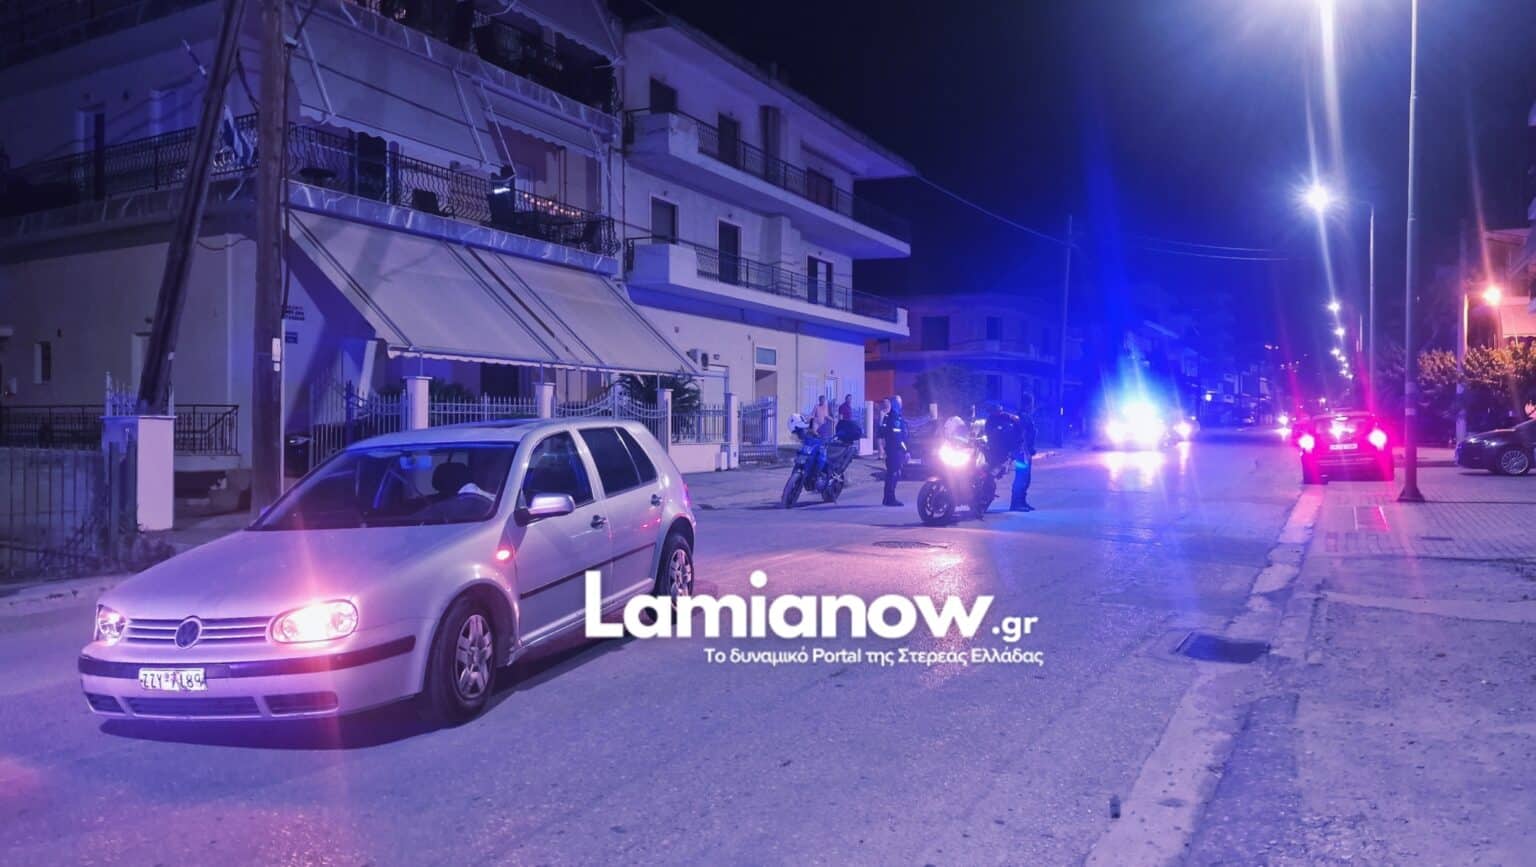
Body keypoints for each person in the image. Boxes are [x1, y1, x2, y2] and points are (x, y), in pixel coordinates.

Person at [877, 395, 909, 506]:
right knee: (894, 474)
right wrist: (906, 450)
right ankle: (890, 498)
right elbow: (898, 438)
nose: (901, 405)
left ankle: (887, 498)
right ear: (896, 404)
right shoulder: (894, 418)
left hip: (892, 450)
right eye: (899, 403)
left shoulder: (889, 417)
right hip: (895, 450)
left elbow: (881, 433)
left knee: (892, 474)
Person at [1010, 394, 1039, 512]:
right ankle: (1016, 503)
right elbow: (1025, 435)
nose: (1032, 406)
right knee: (1021, 478)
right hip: (1022, 452)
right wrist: (1027, 450)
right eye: (1031, 403)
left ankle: (1022, 502)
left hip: (1025, 452)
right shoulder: (1024, 417)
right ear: (1028, 404)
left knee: (1025, 478)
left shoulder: (1024, 416)